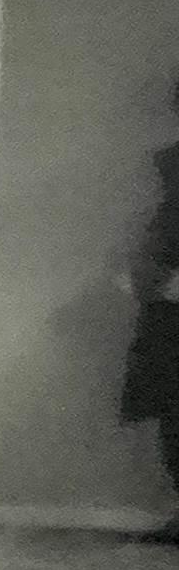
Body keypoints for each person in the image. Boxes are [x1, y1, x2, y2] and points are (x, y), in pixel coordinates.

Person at [121, 79, 179, 541]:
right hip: (170, 300)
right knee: (171, 404)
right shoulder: (173, 164)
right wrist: (150, 276)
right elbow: (160, 230)